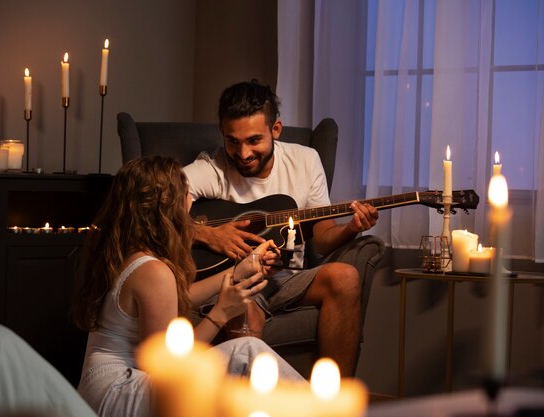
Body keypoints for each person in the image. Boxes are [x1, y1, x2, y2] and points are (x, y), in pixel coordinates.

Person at [71, 156, 305, 417]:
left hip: (102, 387)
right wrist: (220, 313)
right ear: (167, 207)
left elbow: (173, 298)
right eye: (185, 193)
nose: (191, 202)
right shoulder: (153, 271)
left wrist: (240, 269)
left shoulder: (127, 253)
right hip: (120, 392)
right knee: (247, 352)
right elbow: (168, 366)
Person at [183, 80, 379, 377]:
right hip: (236, 279)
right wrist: (206, 232)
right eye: (232, 141)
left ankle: (334, 404)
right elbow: (155, 214)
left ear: (276, 129)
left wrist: (352, 227)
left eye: (253, 140)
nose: (243, 152)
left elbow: (323, 240)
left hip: (287, 277)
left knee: (346, 277)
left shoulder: (305, 161)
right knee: (243, 311)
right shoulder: (212, 167)